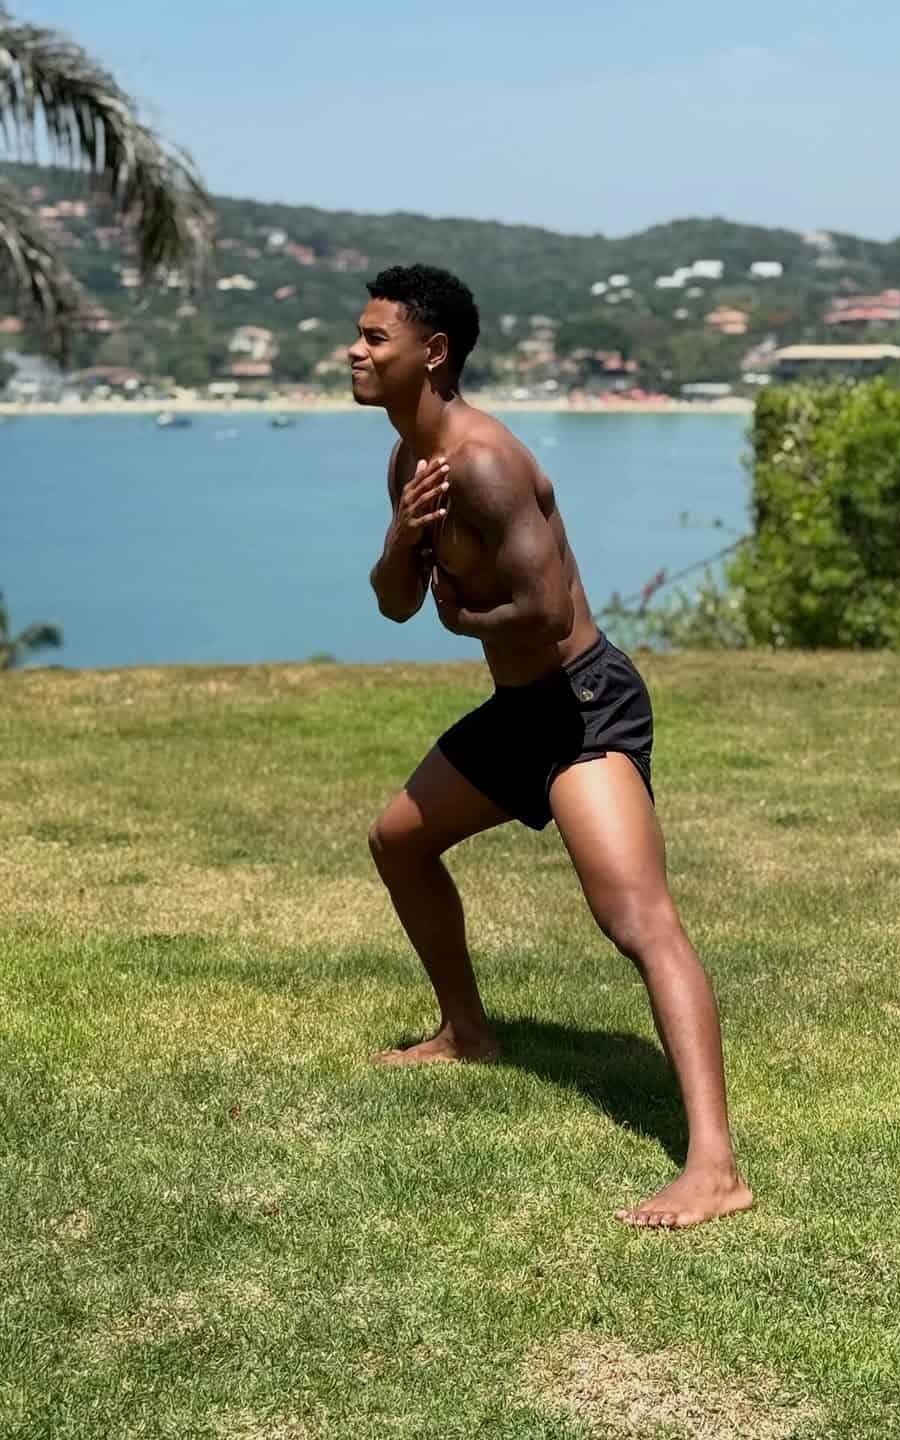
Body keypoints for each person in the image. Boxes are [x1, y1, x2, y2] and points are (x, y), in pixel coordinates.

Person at [354, 264, 751, 1229]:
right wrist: (403, 539)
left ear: (432, 353)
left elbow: (544, 610)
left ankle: (715, 1167)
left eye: (373, 338)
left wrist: (460, 617)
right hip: (519, 710)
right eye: (359, 337)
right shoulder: (411, 463)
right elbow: (394, 603)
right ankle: (467, 1031)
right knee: (398, 841)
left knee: (637, 920)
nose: (354, 352)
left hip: (582, 707)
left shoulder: (486, 462)